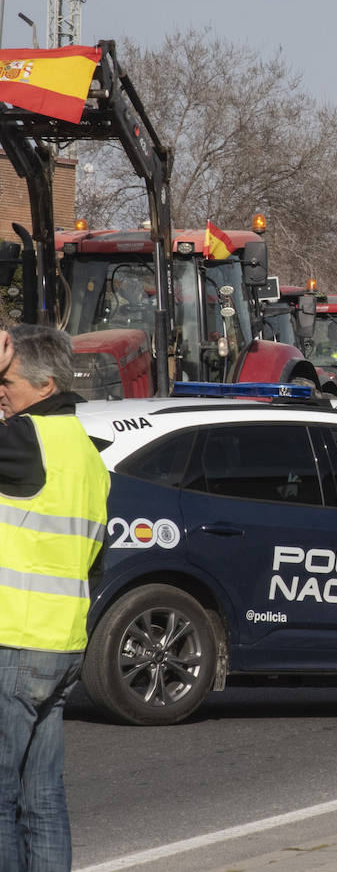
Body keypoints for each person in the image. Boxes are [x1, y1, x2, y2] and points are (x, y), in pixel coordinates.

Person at [0, 324, 109, 871]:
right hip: (62, 646)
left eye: (6, 380)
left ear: (44, 386)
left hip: (13, 644)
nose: (2, 391)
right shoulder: (85, 453)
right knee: (42, 800)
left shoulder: (25, 440)